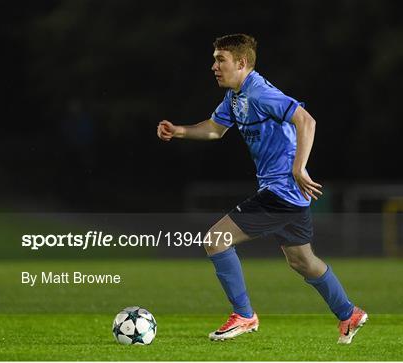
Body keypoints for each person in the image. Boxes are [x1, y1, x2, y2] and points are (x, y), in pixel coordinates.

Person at [157, 34, 367, 343]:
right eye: (215, 59)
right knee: (302, 261)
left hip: (281, 192)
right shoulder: (236, 97)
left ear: (241, 63)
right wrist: (180, 131)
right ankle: (349, 313)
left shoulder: (259, 93)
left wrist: (298, 167)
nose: (214, 66)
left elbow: (306, 121)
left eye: (220, 60)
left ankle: (244, 315)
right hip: (286, 195)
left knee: (216, 240)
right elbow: (216, 130)